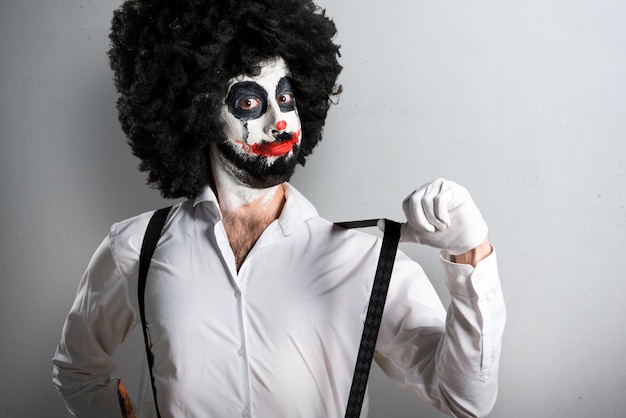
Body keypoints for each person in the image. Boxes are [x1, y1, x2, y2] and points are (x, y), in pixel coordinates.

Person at [52, 1, 506, 417]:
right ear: (200, 110)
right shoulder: (136, 248)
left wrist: (469, 252)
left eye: (286, 99)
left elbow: (465, 399)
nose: (279, 122)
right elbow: (77, 368)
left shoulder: (363, 262)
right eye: (250, 102)